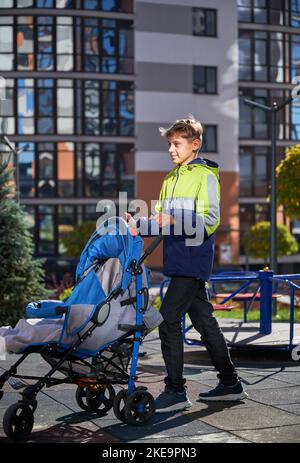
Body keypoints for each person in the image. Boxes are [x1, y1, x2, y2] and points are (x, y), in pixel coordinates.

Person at [125, 117, 248, 413]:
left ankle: (176, 390)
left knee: (169, 322)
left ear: (195, 144)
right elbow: (160, 222)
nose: (171, 149)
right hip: (178, 262)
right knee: (206, 325)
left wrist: (174, 219)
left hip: (194, 261)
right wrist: (136, 225)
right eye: (169, 144)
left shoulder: (204, 175)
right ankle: (230, 383)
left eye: (176, 143)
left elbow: (209, 220)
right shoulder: (170, 178)